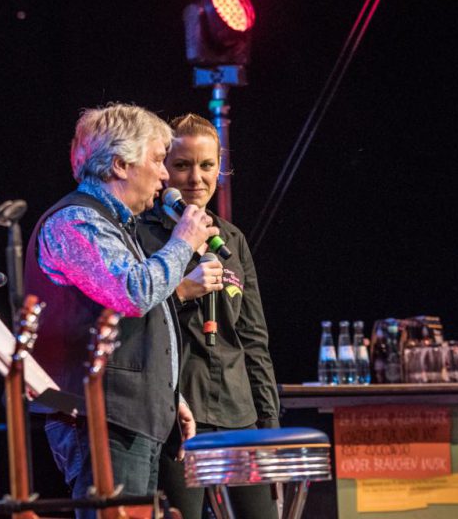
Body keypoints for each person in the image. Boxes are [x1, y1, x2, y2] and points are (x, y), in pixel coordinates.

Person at [24, 103, 219, 518]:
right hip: (97, 417)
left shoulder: (117, 227)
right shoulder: (76, 221)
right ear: (118, 164)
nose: (166, 175)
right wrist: (183, 242)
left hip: (129, 416)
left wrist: (168, 395)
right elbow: (132, 293)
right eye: (156, 160)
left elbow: (144, 322)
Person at [138, 113, 280, 519]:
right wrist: (184, 292)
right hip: (178, 416)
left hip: (238, 412)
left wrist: (268, 421)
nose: (195, 178)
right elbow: (135, 316)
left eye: (206, 165)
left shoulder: (231, 238)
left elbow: (253, 338)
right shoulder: (144, 235)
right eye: (182, 165)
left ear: (221, 168)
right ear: (163, 168)